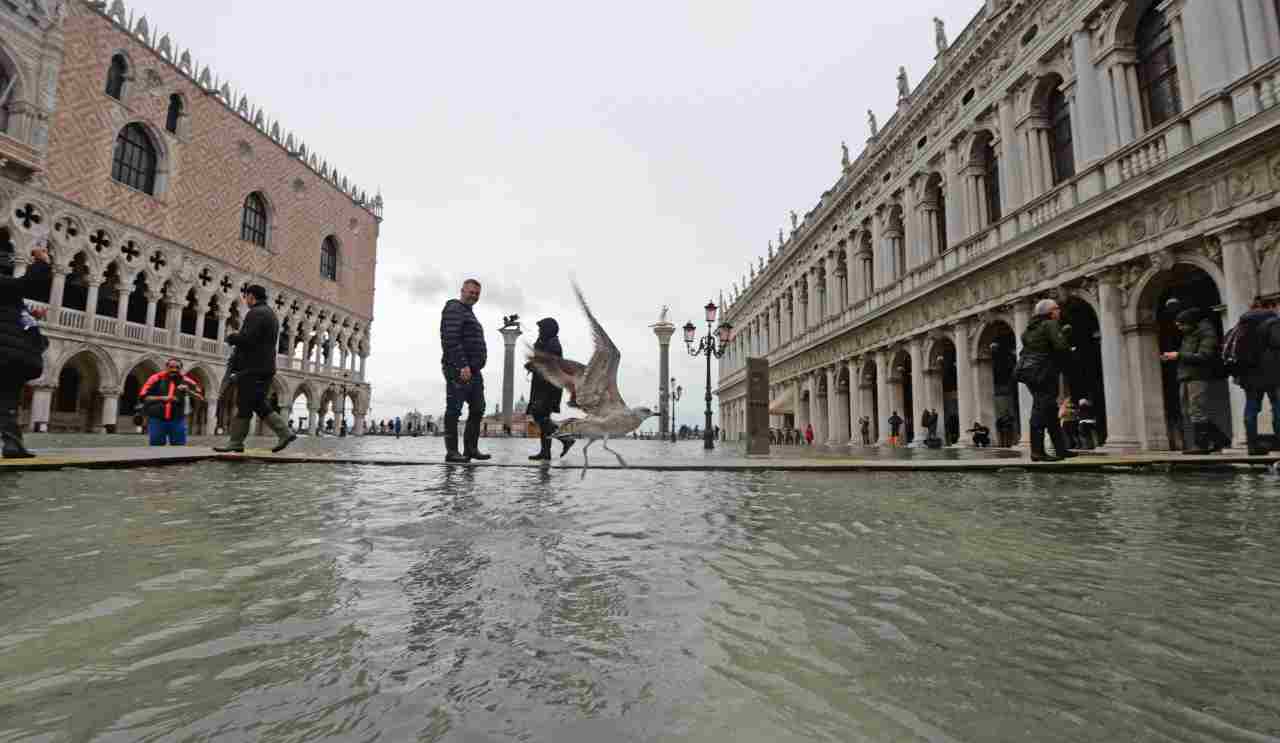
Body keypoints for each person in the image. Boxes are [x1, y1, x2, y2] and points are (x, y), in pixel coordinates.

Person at [214, 285, 296, 453]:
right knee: (256, 402)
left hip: (253, 367)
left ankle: (238, 442)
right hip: (263, 367)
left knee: (246, 402)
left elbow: (249, 338)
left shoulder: (257, 313)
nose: (245, 300)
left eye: (246, 297)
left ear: (251, 296)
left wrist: (232, 337)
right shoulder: (269, 313)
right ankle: (281, 433)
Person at [0, 245, 52, 458]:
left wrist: (31, 313)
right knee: (6, 399)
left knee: (7, 399)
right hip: (9, 353)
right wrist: (42, 262)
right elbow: (27, 284)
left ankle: (14, 444)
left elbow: (8, 307)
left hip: (10, 352)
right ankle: (13, 444)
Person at [1162, 307, 1227, 454]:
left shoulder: (1206, 334)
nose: (1178, 327)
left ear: (1190, 322)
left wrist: (1178, 356)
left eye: (1181, 324)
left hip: (1199, 376)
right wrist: (1174, 357)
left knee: (1196, 410)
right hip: (1186, 376)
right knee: (1188, 411)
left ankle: (1201, 445)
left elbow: (1205, 356)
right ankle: (1220, 439)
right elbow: (1187, 354)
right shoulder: (1189, 334)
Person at [1019, 298, 1075, 461]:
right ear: (1049, 312)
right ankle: (1037, 451)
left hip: (1028, 373)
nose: (1059, 311)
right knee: (1041, 409)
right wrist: (1065, 339)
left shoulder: (1029, 330)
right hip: (1043, 372)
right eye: (1057, 309)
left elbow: (1037, 346)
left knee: (1050, 410)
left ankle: (1060, 449)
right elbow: (1060, 347)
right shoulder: (1050, 324)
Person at [441, 279, 489, 463]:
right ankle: (452, 452)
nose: (474, 296)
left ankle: (471, 448)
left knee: (478, 408)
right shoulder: (454, 309)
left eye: (477, 293)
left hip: (474, 370)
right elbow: (450, 338)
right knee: (454, 409)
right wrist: (462, 364)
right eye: (471, 292)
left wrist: (474, 366)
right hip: (459, 368)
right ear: (462, 291)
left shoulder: (468, 312)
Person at [1228, 296, 1280, 455]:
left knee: (1251, 408)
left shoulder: (1241, 323)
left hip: (1247, 374)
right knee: (1277, 406)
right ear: (1271, 306)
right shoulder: (1272, 321)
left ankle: (1252, 445)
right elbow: (1277, 342)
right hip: (1272, 373)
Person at [137, 358, 205, 446]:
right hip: (157, 419)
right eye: (171, 367)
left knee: (178, 449)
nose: (174, 369)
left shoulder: (187, 381)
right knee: (156, 448)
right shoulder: (155, 378)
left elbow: (201, 398)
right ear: (166, 367)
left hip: (177, 420)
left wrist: (188, 391)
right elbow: (143, 397)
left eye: (177, 367)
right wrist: (165, 398)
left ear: (181, 369)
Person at [526, 317, 564, 461]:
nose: (539, 331)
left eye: (541, 329)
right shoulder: (546, 342)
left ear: (548, 329)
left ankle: (565, 438)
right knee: (542, 418)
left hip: (547, 387)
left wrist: (533, 365)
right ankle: (545, 451)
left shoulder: (553, 344)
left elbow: (549, 365)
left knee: (542, 417)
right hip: (543, 385)